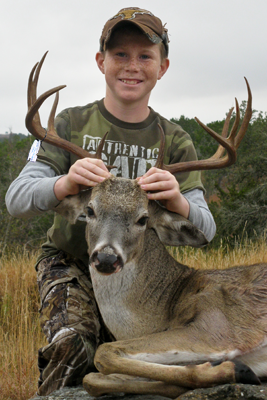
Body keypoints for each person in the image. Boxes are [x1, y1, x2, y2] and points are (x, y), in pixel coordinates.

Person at [5, 7, 216, 396]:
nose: (131, 66)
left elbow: (205, 229)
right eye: (120, 54)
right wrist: (64, 183)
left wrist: (178, 202)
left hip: (146, 281)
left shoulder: (176, 140)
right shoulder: (66, 125)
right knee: (72, 350)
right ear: (101, 61)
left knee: (154, 365)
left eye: (144, 56)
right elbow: (16, 199)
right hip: (73, 267)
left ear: (163, 67)